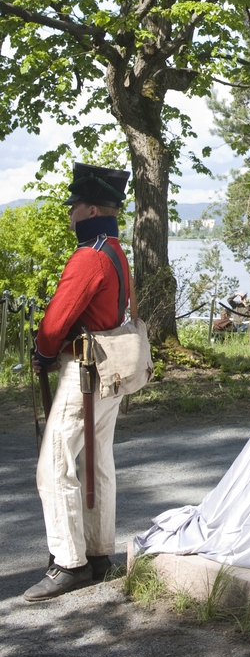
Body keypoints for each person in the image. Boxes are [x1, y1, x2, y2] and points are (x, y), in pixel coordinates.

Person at [24, 163, 131, 602]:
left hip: (84, 371)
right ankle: (100, 553)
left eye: (74, 209)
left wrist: (42, 353)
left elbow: (57, 320)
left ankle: (69, 561)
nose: (70, 216)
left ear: (88, 209)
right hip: (110, 368)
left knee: (54, 466)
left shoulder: (89, 256)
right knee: (96, 461)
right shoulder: (114, 250)